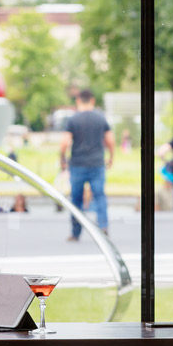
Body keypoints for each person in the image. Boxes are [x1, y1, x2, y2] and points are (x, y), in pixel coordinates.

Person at [59, 88, 115, 241]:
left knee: (76, 199)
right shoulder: (100, 118)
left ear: (78, 101)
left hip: (77, 164)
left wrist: (62, 159)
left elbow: (64, 143)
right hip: (97, 164)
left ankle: (75, 232)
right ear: (92, 100)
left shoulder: (72, 120)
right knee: (99, 196)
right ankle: (103, 227)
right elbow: (110, 140)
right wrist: (111, 157)